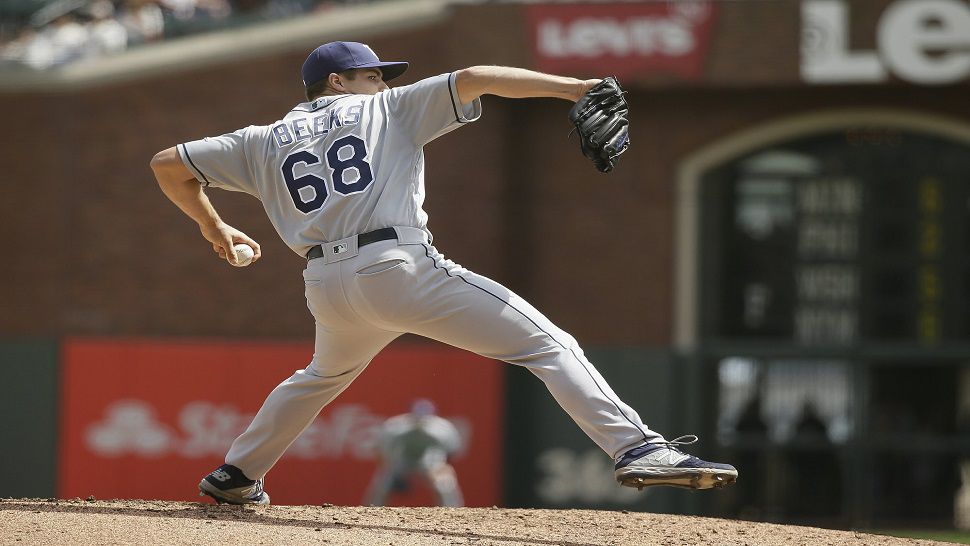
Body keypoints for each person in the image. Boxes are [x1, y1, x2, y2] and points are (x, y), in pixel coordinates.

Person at [149, 41, 738, 505]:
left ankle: (236, 474)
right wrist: (576, 88)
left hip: (326, 285)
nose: (385, 81)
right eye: (374, 73)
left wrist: (214, 228)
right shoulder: (387, 107)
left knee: (321, 375)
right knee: (548, 345)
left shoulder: (261, 140)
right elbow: (476, 77)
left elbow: (168, 164)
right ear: (339, 80)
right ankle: (639, 449)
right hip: (397, 266)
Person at [364, 399, 464, 507]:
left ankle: (451, 512)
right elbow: (381, 449)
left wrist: (442, 468)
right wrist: (390, 468)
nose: (421, 421)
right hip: (403, 461)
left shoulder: (443, 429)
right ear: (410, 415)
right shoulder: (396, 427)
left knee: (445, 483)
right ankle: (372, 511)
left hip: (429, 461)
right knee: (383, 483)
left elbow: (452, 451)